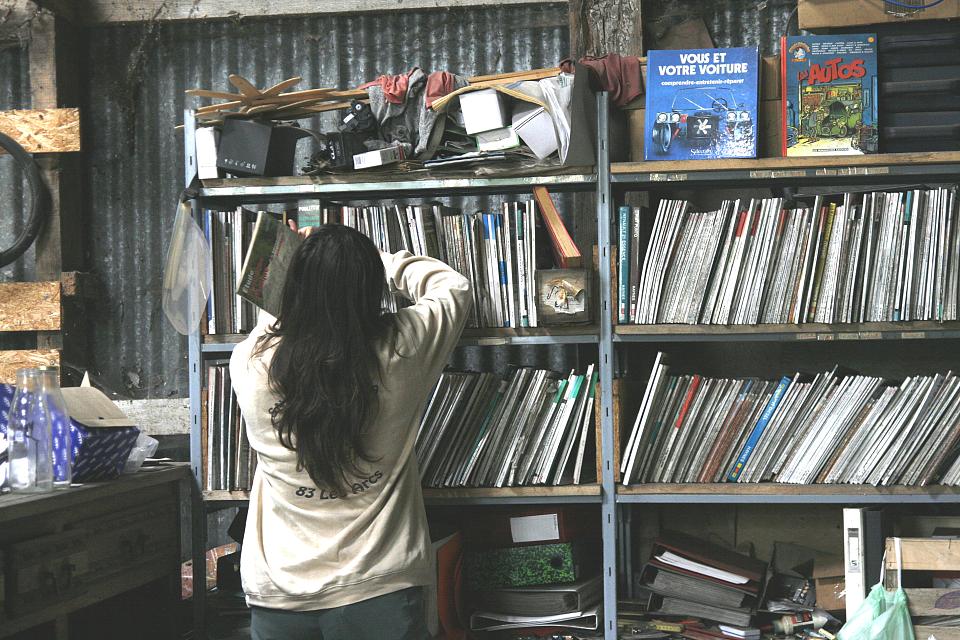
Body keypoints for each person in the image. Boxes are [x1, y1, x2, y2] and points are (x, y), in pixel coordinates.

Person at [229, 222, 472, 640]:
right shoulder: (403, 347)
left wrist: (295, 257)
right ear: (370, 287)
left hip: (280, 592)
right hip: (380, 586)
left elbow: (275, 315)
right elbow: (454, 288)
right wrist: (376, 261)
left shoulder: (250, 363)